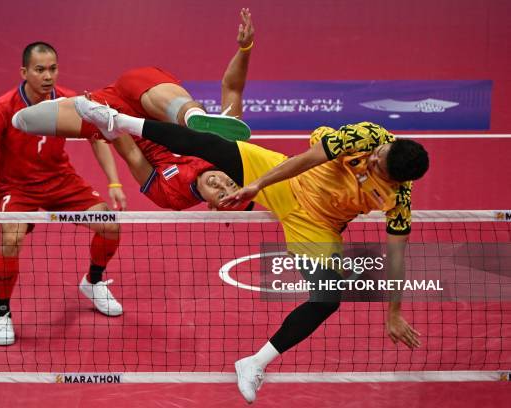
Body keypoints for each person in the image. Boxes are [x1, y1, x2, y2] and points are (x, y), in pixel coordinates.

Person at [66, 102, 430, 403]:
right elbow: (307, 159)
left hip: (317, 226)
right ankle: (119, 120)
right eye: (378, 155)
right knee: (211, 145)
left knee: (328, 298)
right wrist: (258, 183)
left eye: (378, 166)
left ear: (396, 181)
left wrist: (393, 313)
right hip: (290, 181)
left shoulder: (398, 199)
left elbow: (396, 256)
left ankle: (254, 363)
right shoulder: (368, 136)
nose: (373, 160)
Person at [11, 8, 255, 211]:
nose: (220, 184)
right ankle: (194, 117)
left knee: (23, 120)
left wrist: (109, 122)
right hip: (152, 96)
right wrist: (245, 49)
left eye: (222, 195)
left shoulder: (174, 197)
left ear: (213, 207)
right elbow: (232, 88)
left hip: (116, 119)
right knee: (184, 115)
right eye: (231, 184)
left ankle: (79, 108)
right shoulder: (231, 156)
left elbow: (133, 157)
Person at [0, 42, 127, 347]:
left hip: (60, 181)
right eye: (39, 70)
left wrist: (114, 182)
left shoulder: (70, 101)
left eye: (52, 68)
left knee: (110, 225)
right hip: (17, 187)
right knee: (10, 239)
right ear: (24, 72)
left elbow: (97, 138)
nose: (47, 75)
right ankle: (3, 314)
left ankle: (92, 282)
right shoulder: (3, 107)